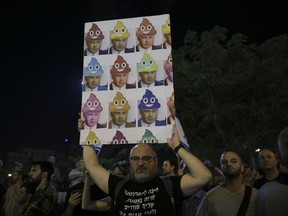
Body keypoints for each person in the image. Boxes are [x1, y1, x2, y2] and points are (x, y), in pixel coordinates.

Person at [82, 124, 212, 215]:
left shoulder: (170, 184)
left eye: (146, 158)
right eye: (135, 159)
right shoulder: (118, 185)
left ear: (156, 161)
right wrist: (87, 133)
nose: (141, 163)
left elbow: (204, 176)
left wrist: (177, 147)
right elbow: (92, 166)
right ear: (130, 162)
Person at [196, 150, 258, 216]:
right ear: (221, 169)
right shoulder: (210, 198)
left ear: (242, 167)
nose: (228, 164)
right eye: (224, 162)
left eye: (233, 161)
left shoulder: (256, 196)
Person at [254, 127, 288, 216]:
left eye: (269, 157)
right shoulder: (257, 185)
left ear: (277, 159)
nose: (265, 160)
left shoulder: (284, 181)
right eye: (262, 158)